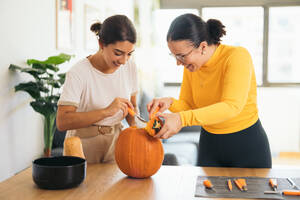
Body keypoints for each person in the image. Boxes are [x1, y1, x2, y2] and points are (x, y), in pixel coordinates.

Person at [147, 13, 272, 168]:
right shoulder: (192, 67)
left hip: (246, 145)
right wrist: (170, 103)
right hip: (210, 146)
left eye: (181, 56)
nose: (178, 63)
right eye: (174, 57)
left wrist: (180, 119)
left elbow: (231, 106)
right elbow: (189, 106)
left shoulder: (236, 57)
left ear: (203, 47)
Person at [56, 15, 138, 163]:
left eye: (129, 54)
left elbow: (132, 107)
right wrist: (106, 112)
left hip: (117, 143)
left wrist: (141, 127)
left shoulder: (130, 67)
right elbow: (62, 121)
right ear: (101, 44)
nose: (124, 61)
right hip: (81, 145)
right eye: (118, 53)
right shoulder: (78, 73)